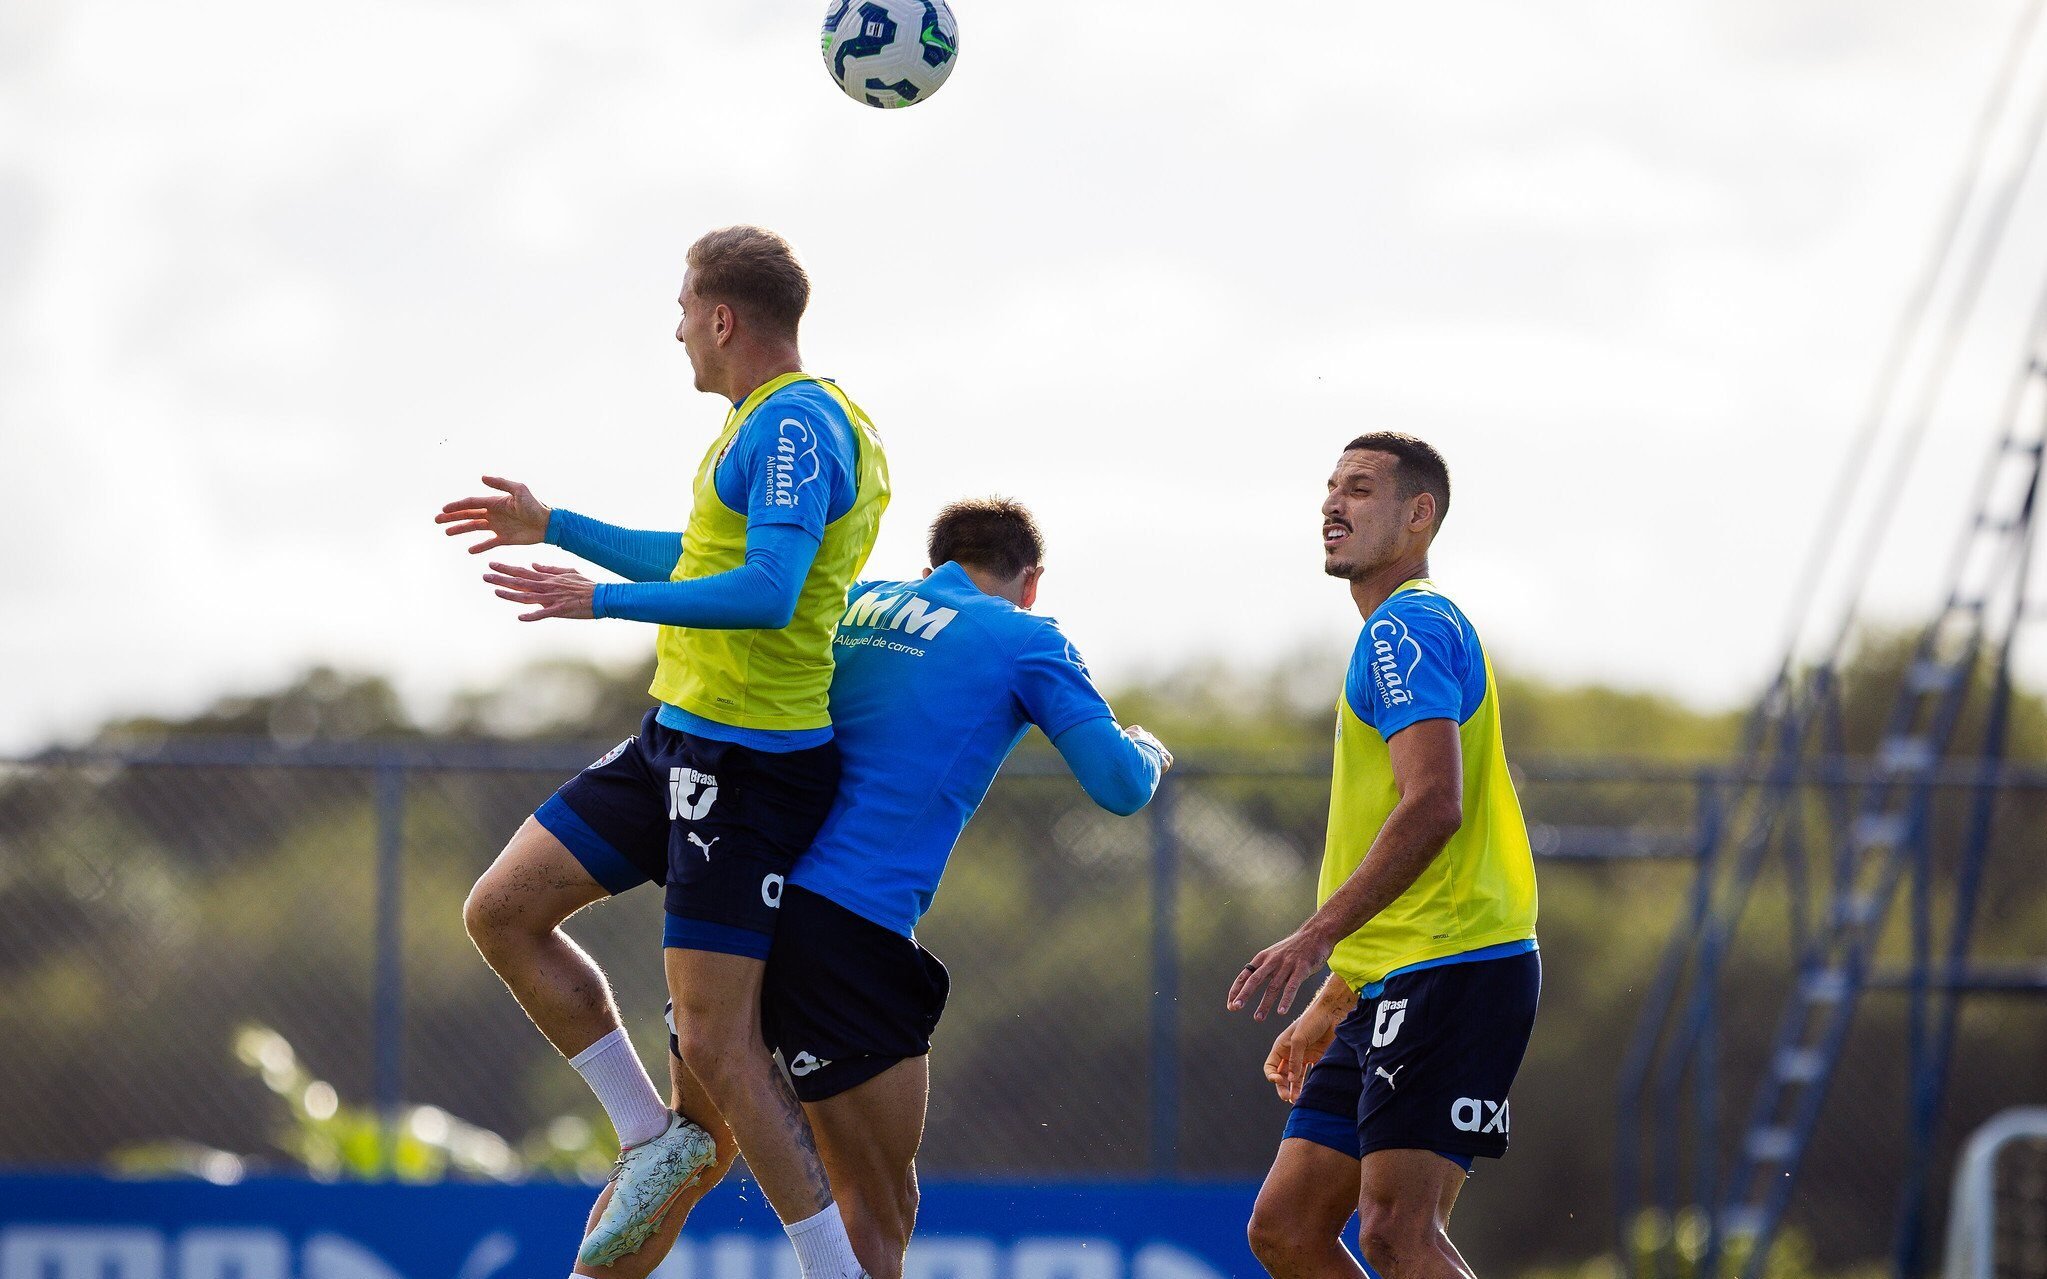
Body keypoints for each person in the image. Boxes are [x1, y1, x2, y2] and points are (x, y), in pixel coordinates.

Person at [437, 225, 888, 1279]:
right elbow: (701, 556)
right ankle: (653, 1138)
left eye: (685, 309)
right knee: (502, 909)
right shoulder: (762, 425)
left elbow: (767, 592)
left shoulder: (793, 427)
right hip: (679, 741)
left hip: (751, 769)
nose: (677, 328)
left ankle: (832, 1267)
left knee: (720, 1047)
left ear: (723, 317)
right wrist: (556, 523)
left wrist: (598, 602)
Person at [578, 497, 1173, 1279]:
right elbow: (1118, 785)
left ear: (930, 568)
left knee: (684, 1156)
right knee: (877, 1204)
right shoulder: (1029, 638)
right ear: (1030, 581)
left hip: (735, 902)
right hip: (846, 933)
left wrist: (561, 526)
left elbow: (699, 562)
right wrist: (1150, 749)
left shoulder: (856, 598)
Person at [1227, 434, 1540, 1279]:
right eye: (1330, 487)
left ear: (1417, 514)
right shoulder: (1397, 631)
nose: (1333, 503)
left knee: (1397, 1232)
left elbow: (1434, 804)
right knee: (1286, 1226)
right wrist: (1336, 994)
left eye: (1359, 489)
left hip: (1456, 968)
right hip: (1390, 978)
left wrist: (1312, 936)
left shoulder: (1406, 624)